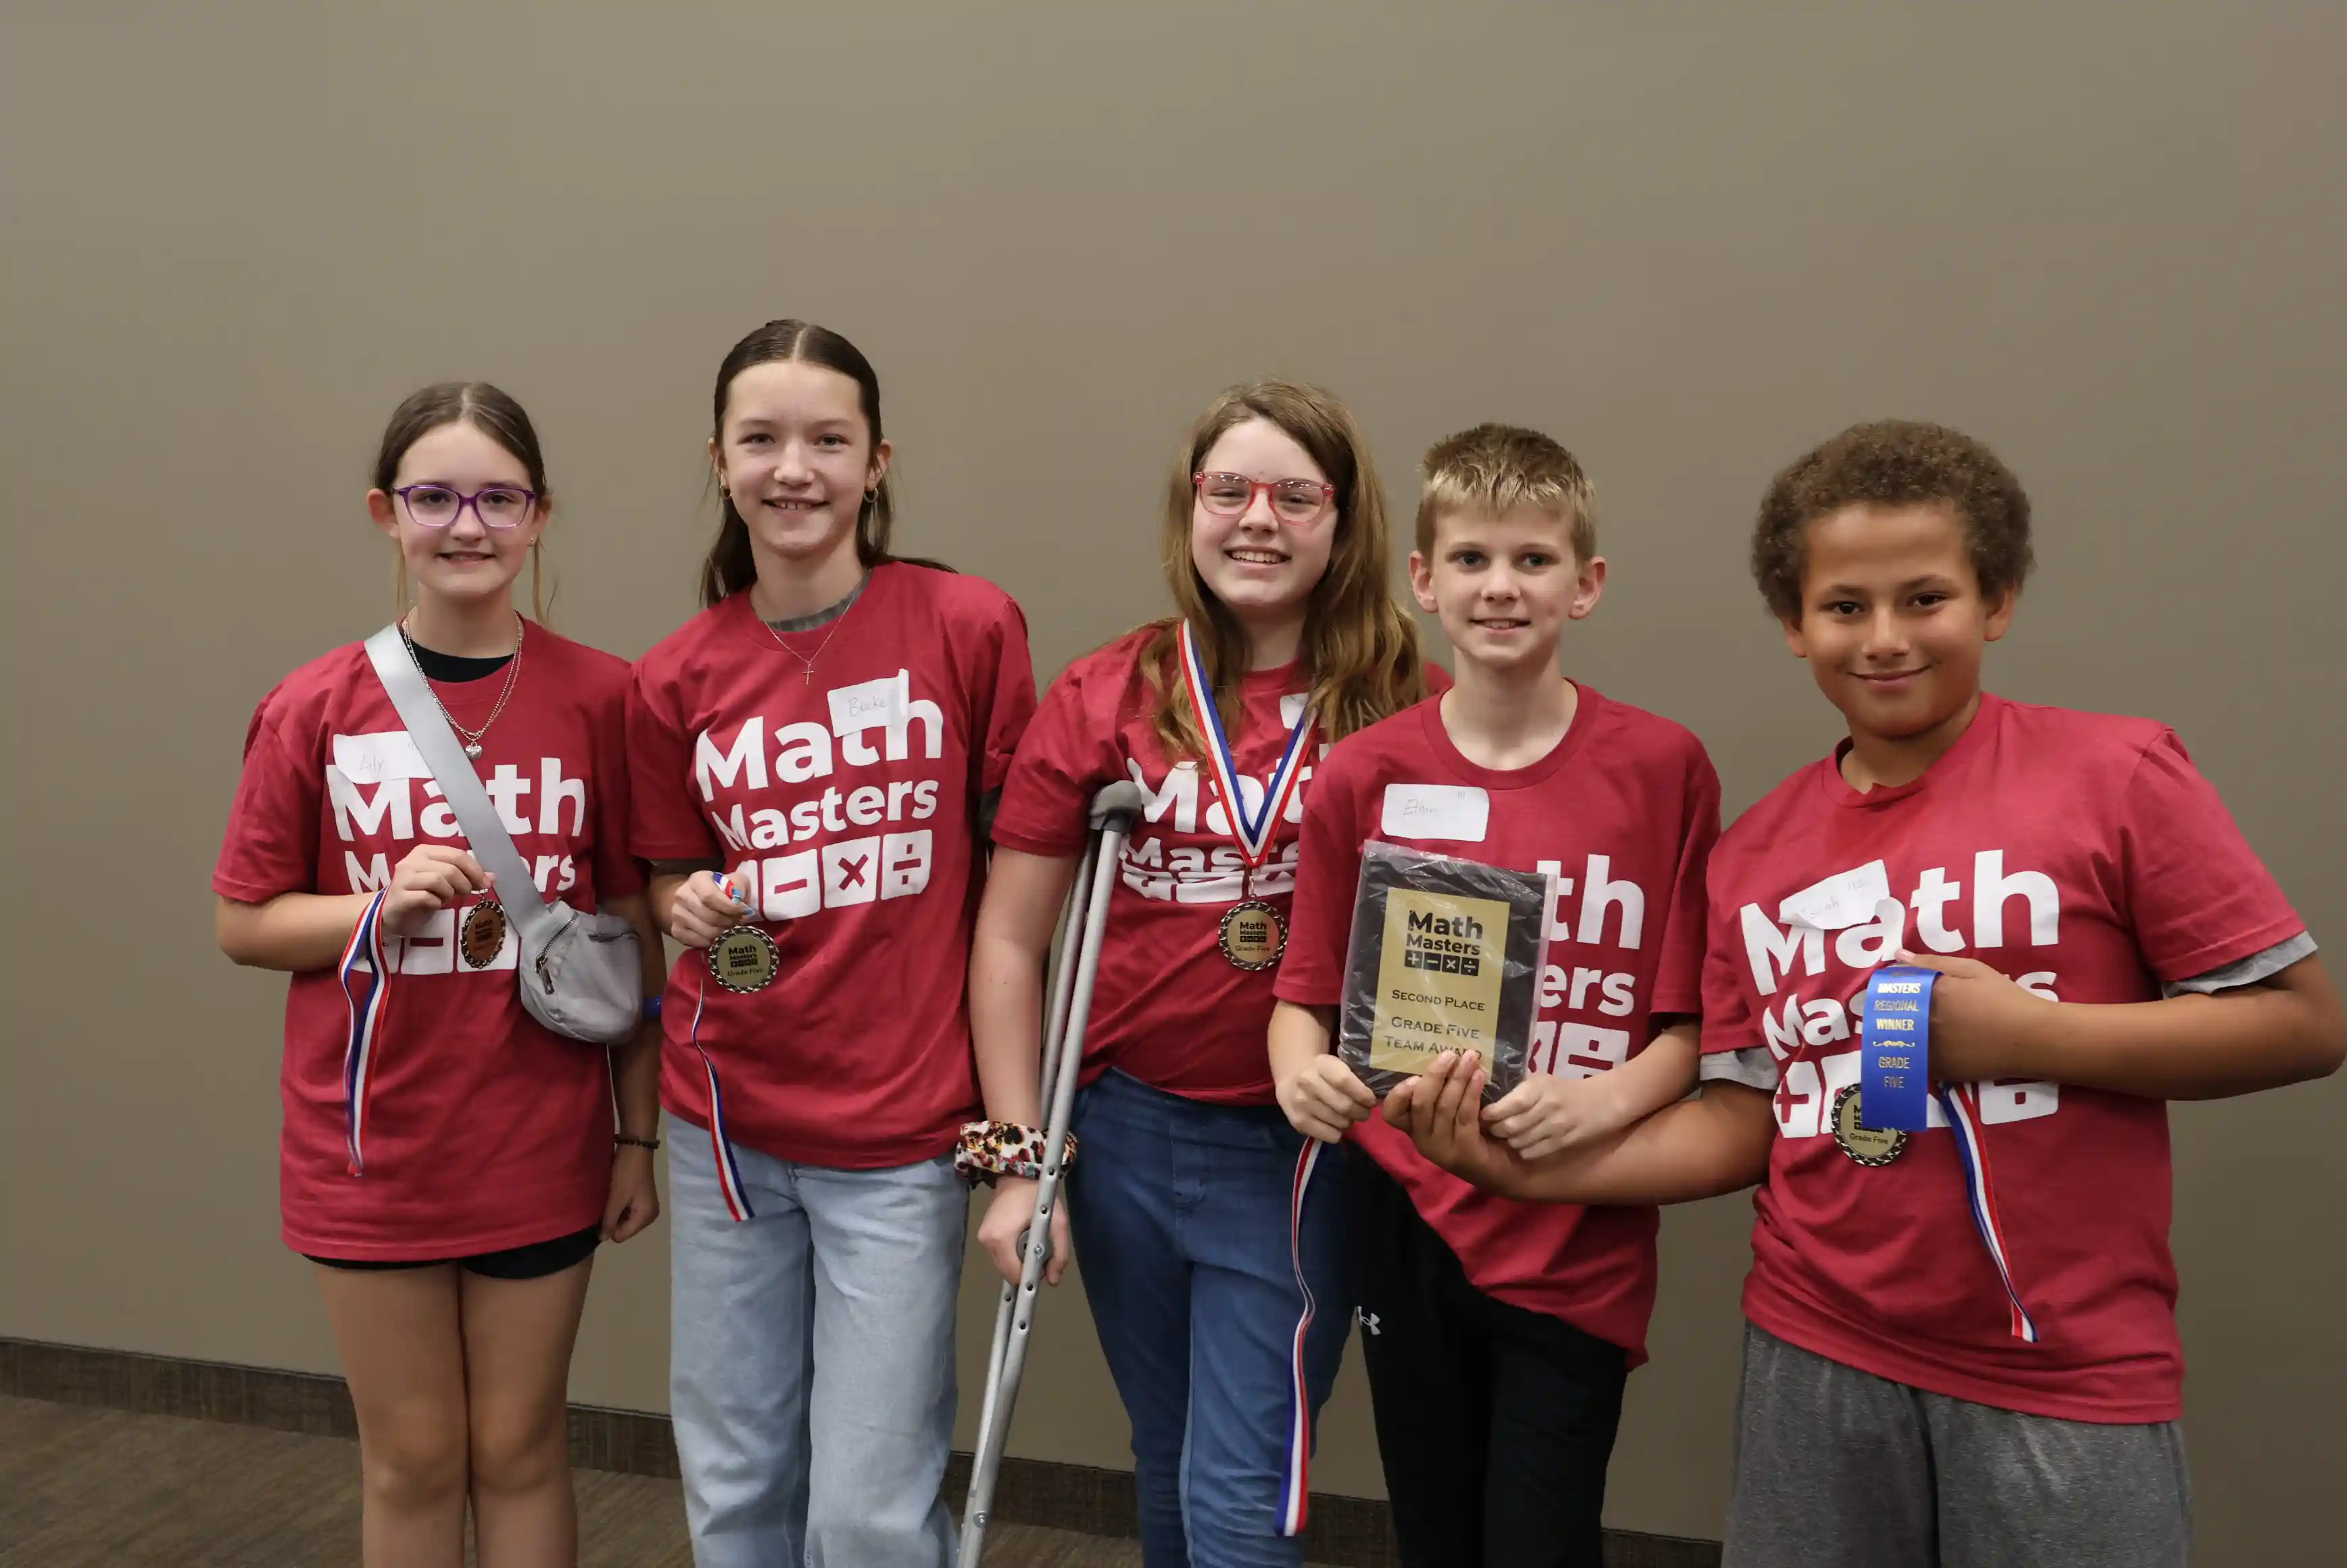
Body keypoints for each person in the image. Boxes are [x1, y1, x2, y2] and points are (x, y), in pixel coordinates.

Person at [1388, 420, 2347, 1568]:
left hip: (2065, 1367)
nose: (1885, 638)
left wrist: (2033, 1035)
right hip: (1814, 1346)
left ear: (1996, 600)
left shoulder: (2116, 774)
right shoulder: (1755, 855)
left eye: (1925, 598)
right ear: (1796, 627)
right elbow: (1742, 1119)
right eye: (1845, 607)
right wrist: (1512, 1168)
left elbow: (2302, 1023)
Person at [970, 380, 1438, 1565]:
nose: (1257, 519)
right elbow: (1013, 939)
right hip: (1123, 1133)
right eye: (1226, 490)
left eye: (1296, 493)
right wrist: (1023, 1162)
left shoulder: (1403, 702)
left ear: (1346, 519)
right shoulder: (1109, 692)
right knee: (1172, 1460)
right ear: (1190, 509)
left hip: (1297, 1151)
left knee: (1241, 1492)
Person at [214, 382, 664, 1568]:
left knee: (519, 1448)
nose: (467, 525)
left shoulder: (605, 696)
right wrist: (378, 903)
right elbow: (244, 922)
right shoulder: (313, 704)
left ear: (540, 517)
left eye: (497, 499)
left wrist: (636, 1137)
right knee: (412, 1458)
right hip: (371, 1145)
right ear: (386, 513)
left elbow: (625, 928)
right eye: (435, 498)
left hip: (539, 1136)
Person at [1269, 424, 1720, 1567]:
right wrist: (1297, 1071)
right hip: (1410, 1222)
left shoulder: (1664, 768)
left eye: (1533, 560)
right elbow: (1303, 998)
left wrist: (1606, 1104)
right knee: (1435, 1534)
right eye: (1470, 559)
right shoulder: (1366, 774)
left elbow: (1689, 1028)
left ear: (1588, 583)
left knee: (1541, 1538)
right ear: (1422, 581)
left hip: (1579, 1226)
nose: (1501, 587)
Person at [627, 320, 1036, 1568]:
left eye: (827, 440)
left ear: (876, 461)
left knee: (865, 1510)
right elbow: (665, 872)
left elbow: (1022, 889)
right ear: (720, 461)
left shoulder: (968, 626)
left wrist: (1019, 1145)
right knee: (739, 1481)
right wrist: (681, 903)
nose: (792, 468)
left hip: (898, 1139)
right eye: (761, 440)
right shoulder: (676, 676)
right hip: (727, 1133)